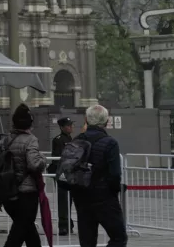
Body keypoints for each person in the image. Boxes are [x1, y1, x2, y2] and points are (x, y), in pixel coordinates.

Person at [71, 105, 127, 247]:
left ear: (86, 120)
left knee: (87, 241)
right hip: (104, 197)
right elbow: (114, 174)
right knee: (118, 237)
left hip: (81, 196)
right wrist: (114, 191)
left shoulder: (76, 141)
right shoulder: (110, 143)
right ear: (107, 121)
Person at [0, 104, 46, 247]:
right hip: (26, 194)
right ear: (30, 123)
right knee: (18, 233)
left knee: (28, 230)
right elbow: (33, 164)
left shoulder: (5, 141)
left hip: (9, 193)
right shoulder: (31, 139)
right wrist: (43, 159)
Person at [49, 117, 75, 235]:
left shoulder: (70, 139)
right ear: (62, 127)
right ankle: (63, 226)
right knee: (63, 200)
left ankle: (69, 223)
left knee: (70, 200)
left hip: (70, 173)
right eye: (68, 125)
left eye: (71, 125)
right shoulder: (58, 140)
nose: (71, 127)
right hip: (62, 174)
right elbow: (57, 158)